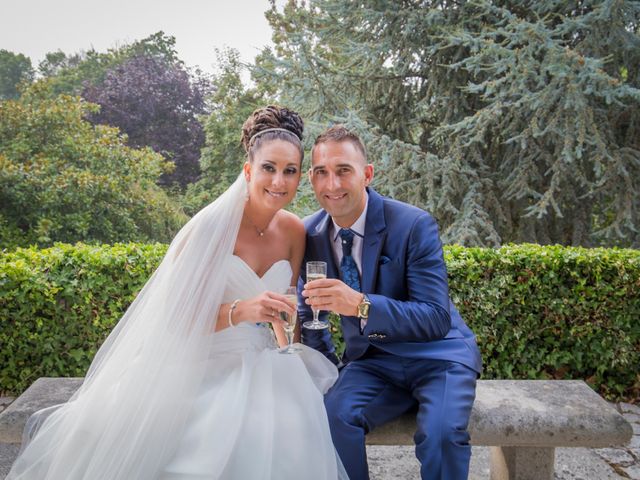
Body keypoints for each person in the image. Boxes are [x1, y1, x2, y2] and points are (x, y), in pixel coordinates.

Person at [8, 106, 347, 480]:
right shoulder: (209, 228)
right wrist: (242, 310)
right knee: (215, 436)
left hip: (261, 360)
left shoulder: (294, 231)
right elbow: (175, 321)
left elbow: (284, 309)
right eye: (269, 167)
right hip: (199, 363)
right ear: (249, 170)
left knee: (293, 427)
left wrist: (289, 346)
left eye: (290, 171)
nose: (279, 181)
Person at [299, 125, 482, 480]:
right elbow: (310, 311)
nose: (332, 185)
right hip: (372, 362)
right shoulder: (310, 234)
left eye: (343, 171)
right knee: (332, 418)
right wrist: (326, 370)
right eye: (322, 172)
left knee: (441, 436)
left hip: (438, 357)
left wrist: (362, 305)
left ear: (367, 174)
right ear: (311, 178)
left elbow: (435, 318)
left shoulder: (413, 224)